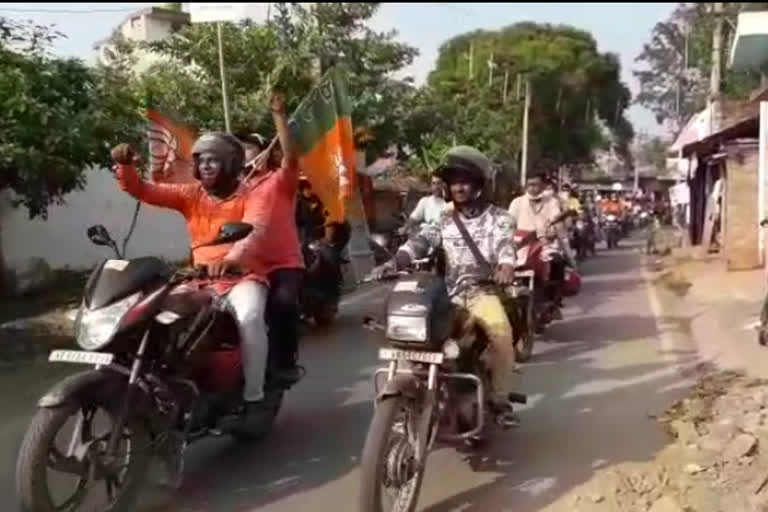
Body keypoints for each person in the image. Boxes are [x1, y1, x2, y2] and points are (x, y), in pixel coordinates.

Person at [111, 93, 291, 434]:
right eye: (201, 160)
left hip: (243, 278)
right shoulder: (191, 195)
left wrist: (232, 259)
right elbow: (145, 191)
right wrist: (125, 166)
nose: (205, 166)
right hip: (197, 280)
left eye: (214, 160)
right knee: (155, 316)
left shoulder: (253, 194)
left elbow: (256, 229)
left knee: (251, 318)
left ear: (232, 164)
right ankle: (164, 384)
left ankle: (254, 398)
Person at [372, 146, 519, 421]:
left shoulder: (499, 218)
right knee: (412, 336)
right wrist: (397, 260)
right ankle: (410, 393)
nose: (458, 187)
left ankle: (500, 399)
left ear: (479, 184)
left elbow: (504, 245)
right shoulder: (445, 219)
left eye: (465, 180)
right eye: (453, 181)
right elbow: (422, 240)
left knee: (501, 336)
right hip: (445, 294)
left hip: (481, 293)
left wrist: (506, 266)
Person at [238, 95, 304, 384]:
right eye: (238, 148)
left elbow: (290, 156)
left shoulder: (280, 179)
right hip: (243, 266)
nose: (243, 153)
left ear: (264, 152)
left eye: (249, 147)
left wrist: (279, 116)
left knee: (285, 303)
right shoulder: (230, 187)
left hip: (282, 262)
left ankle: (285, 361)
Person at [508, 173, 569, 319]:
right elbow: (507, 223)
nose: (533, 188)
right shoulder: (517, 203)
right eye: (530, 185)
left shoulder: (551, 202)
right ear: (525, 186)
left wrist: (553, 232)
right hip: (522, 246)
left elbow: (557, 220)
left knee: (557, 262)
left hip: (545, 245)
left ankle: (553, 300)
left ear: (542, 186)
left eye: (536, 184)